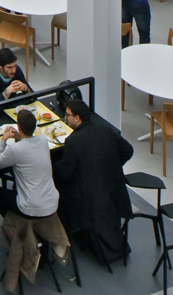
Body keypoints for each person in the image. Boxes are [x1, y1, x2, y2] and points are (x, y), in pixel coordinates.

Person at [0, 107, 69, 291]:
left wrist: (3, 139)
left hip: (30, 208)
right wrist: (18, 136)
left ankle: (15, 221)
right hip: (52, 203)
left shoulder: (15, 149)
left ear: (18, 126)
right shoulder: (42, 141)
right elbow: (27, 145)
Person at [51, 93, 134, 267]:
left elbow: (65, 174)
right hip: (112, 187)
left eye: (67, 115)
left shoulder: (73, 141)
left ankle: (64, 232)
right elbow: (128, 150)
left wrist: (52, 162)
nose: (66, 118)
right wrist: (112, 166)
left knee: (59, 187)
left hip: (89, 197)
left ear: (77, 118)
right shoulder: (105, 129)